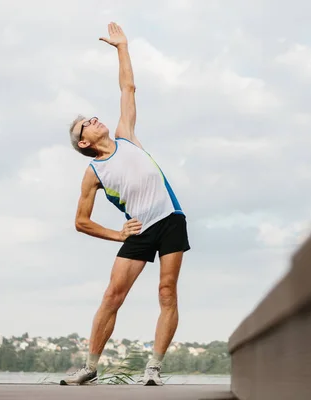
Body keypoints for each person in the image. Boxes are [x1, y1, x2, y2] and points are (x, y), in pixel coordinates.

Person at [60, 22, 190, 387]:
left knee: (167, 291)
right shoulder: (93, 172)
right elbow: (81, 222)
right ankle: (90, 366)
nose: (95, 120)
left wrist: (122, 47)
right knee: (112, 295)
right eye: (87, 123)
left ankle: (154, 368)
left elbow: (128, 88)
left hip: (170, 219)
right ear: (83, 142)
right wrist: (118, 235)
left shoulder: (126, 137)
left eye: (93, 117)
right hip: (138, 230)